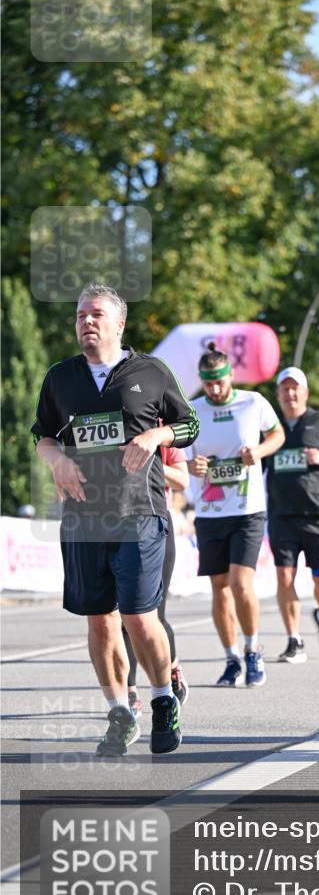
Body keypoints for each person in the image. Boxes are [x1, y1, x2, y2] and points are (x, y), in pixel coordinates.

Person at [32, 284, 199, 757]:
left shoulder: (151, 371)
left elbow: (189, 425)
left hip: (139, 512)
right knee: (100, 622)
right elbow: (43, 435)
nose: (86, 321)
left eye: (96, 314)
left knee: (139, 618)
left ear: (119, 323)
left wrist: (156, 436)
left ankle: (163, 699)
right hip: (83, 517)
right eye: (80, 314)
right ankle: (120, 713)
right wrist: (56, 461)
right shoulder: (60, 377)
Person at [187, 343, 285, 687]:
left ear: (231, 376)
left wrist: (258, 451)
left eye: (220, 381)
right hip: (210, 511)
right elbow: (178, 454)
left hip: (247, 510)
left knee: (241, 583)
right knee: (220, 587)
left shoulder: (253, 402)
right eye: (208, 383)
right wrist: (191, 465)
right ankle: (231, 659)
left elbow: (277, 434)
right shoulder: (192, 411)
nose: (215, 389)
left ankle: (253, 650)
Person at [265, 367, 319, 663]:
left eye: (295, 388)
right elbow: (256, 462)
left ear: (305, 393)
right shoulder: (270, 427)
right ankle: (294, 639)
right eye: (285, 389)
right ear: (278, 394)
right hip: (282, 515)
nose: (290, 394)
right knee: (284, 576)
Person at [123, 443, 190, 716]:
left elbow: (182, 480)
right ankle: (129, 691)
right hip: (110, 520)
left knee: (151, 615)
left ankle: (171, 667)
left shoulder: (162, 431)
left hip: (155, 521)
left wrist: (147, 462)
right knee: (122, 617)